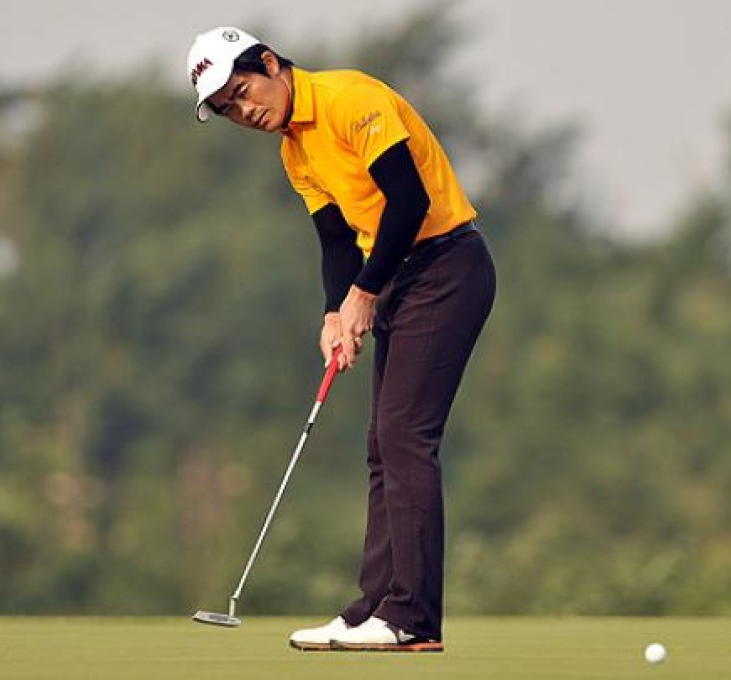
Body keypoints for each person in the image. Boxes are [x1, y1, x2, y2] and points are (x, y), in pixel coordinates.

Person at [186, 27, 496, 652]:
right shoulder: (293, 151)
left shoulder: (350, 99)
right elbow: (335, 239)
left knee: (407, 436)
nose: (244, 112)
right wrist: (336, 311)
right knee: (384, 443)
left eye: (242, 91)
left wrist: (364, 293)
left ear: (271, 63)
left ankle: (411, 619)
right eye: (227, 110)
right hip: (399, 281)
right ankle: (372, 609)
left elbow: (407, 204)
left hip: (446, 267)